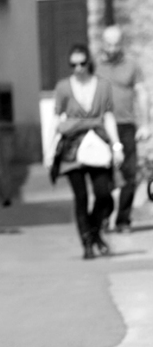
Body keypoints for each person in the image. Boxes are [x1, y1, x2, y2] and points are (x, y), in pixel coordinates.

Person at [45, 43, 124, 260]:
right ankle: (87, 243)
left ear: (89, 62)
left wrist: (116, 145)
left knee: (104, 195)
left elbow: (108, 116)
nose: (78, 68)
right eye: (73, 65)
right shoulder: (63, 87)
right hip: (72, 147)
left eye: (82, 63)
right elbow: (56, 119)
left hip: (98, 144)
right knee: (81, 197)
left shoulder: (103, 85)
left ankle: (95, 231)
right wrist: (49, 150)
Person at [96, 24, 151, 231]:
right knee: (103, 176)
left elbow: (141, 93)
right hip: (100, 128)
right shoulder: (94, 65)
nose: (112, 48)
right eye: (108, 44)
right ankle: (103, 215)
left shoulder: (131, 65)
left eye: (116, 44)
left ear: (122, 44)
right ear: (103, 43)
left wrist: (145, 124)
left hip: (126, 125)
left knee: (129, 174)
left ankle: (123, 220)